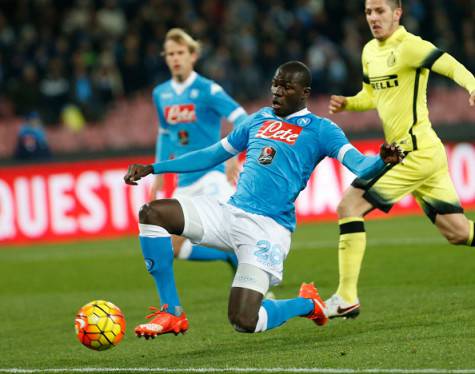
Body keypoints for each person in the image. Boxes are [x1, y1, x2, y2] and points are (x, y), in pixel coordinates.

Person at [124, 61, 403, 337]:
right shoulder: (258, 118)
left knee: (243, 320)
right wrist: (154, 168)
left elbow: (359, 165)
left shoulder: (322, 130)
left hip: (267, 230)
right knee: (152, 214)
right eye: (275, 84)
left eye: (286, 86)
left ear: (304, 92)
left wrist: (382, 162)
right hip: (228, 213)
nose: (278, 91)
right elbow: (211, 154)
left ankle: (307, 304)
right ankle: (171, 312)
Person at [326, 0, 475, 319]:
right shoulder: (369, 51)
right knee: (458, 233)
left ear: (397, 13)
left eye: (380, 11)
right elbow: (373, 94)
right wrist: (349, 104)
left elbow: (449, 65)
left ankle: (346, 297)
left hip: (413, 153)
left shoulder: (410, 46)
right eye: (368, 12)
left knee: (349, 206)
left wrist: (473, 85)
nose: (373, 18)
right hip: (425, 154)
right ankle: (346, 296)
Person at [151, 28, 248, 268]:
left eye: (180, 52)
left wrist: (232, 153)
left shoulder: (208, 90)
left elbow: (242, 118)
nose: (175, 58)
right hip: (185, 182)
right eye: (170, 53)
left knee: (238, 234)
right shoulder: (160, 94)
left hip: (212, 176)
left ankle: (258, 292)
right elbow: (165, 134)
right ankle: (227, 256)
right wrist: (158, 174)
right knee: (172, 246)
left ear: (192, 56)